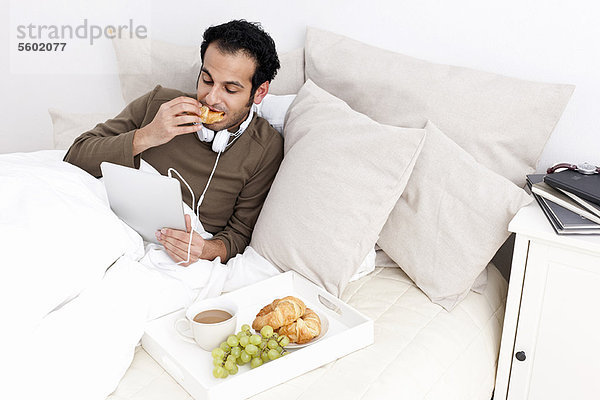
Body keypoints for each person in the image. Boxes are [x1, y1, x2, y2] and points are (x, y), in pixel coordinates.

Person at [65, 20, 283, 265]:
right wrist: (148, 135)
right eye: (207, 80)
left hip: (171, 258)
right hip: (104, 223)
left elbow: (240, 233)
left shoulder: (266, 148)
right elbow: (75, 156)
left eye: (230, 89)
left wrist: (204, 249)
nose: (211, 98)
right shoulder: (160, 103)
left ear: (259, 92)